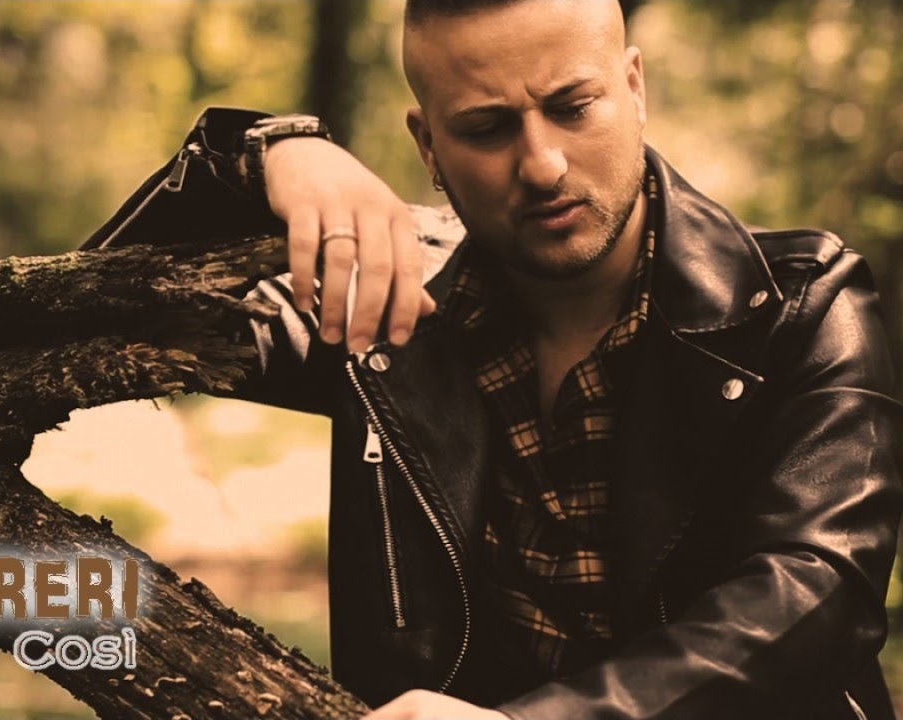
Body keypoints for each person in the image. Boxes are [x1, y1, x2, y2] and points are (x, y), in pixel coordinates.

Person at [87, 1, 903, 717]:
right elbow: (75, 332)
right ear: (428, 145)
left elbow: (818, 594)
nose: (543, 165)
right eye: (486, 128)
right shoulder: (383, 300)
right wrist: (269, 155)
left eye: (572, 108)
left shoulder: (797, 303)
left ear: (635, 89)